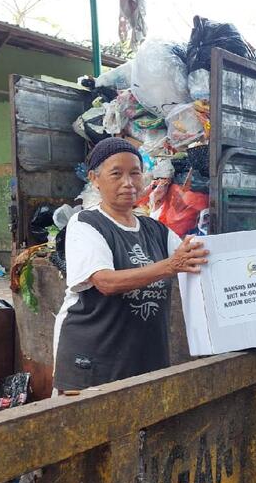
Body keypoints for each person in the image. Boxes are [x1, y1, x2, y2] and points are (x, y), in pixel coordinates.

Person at [52, 137, 208, 392]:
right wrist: (170, 266)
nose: (128, 183)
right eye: (116, 174)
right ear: (94, 179)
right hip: (92, 363)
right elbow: (105, 282)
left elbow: (202, 256)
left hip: (143, 361)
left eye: (135, 173)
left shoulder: (156, 230)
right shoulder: (86, 223)